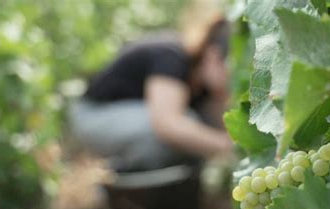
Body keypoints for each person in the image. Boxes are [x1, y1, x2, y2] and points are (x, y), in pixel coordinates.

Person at [69, 18, 232, 172]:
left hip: (126, 118)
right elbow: (167, 124)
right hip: (93, 117)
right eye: (233, 70)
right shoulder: (172, 56)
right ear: (213, 56)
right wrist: (230, 147)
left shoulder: (202, 84)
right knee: (185, 126)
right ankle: (127, 178)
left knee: (195, 131)